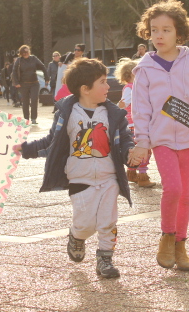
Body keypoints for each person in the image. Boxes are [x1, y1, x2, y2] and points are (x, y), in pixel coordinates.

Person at [13, 58, 135, 278]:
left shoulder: (113, 115)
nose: (108, 86)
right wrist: (25, 149)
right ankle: (77, 236)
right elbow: (50, 143)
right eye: (102, 82)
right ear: (85, 89)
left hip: (109, 178)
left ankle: (105, 260)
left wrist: (131, 153)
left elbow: (124, 139)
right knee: (86, 224)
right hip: (80, 179)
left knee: (108, 221)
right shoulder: (67, 114)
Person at [129, 0, 189, 272]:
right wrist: (143, 142)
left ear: (179, 32)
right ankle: (166, 238)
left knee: (186, 194)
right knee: (173, 189)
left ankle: (181, 246)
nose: (159, 35)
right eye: (154, 29)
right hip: (161, 139)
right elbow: (140, 108)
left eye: (166, 29)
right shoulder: (144, 68)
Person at [115, 58, 155, 188]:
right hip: (136, 125)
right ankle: (142, 175)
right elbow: (124, 103)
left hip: (132, 124)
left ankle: (131, 173)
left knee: (134, 149)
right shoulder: (131, 88)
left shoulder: (133, 87)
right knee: (144, 149)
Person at [11, 45, 47, 124]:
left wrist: (46, 77)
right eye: (23, 52)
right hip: (24, 84)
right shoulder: (19, 60)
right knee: (25, 102)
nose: (25, 53)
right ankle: (26, 119)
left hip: (34, 83)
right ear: (21, 53)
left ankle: (33, 118)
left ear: (29, 52)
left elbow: (42, 66)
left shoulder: (33, 58)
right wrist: (16, 83)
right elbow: (14, 72)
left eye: (27, 52)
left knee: (34, 100)